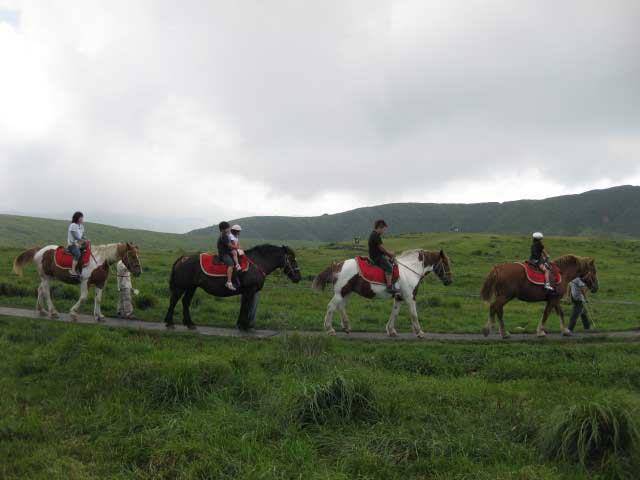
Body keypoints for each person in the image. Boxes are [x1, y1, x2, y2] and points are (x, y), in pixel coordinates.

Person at [368, 219, 397, 294]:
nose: (384, 231)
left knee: (390, 262)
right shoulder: (376, 236)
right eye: (384, 229)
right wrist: (390, 254)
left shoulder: (373, 234)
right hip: (377, 258)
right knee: (389, 268)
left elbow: (381, 249)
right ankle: (389, 287)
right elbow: (382, 248)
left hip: (376, 256)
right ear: (380, 227)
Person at [67, 211, 90, 276]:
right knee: (77, 254)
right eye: (81, 217)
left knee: (87, 249)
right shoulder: (73, 225)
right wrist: (83, 241)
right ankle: (73, 270)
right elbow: (75, 236)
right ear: (77, 218)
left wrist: (86, 239)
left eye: (82, 217)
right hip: (72, 244)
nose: (82, 219)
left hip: (79, 244)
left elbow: (83, 235)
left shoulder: (81, 226)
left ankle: (82, 267)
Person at [217, 221, 237, 291]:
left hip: (227, 252)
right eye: (228, 228)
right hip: (223, 254)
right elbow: (229, 245)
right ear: (223, 229)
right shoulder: (224, 236)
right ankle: (229, 282)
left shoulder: (226, 235)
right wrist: (237, 247)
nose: (229, 229)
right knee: (231, 264)